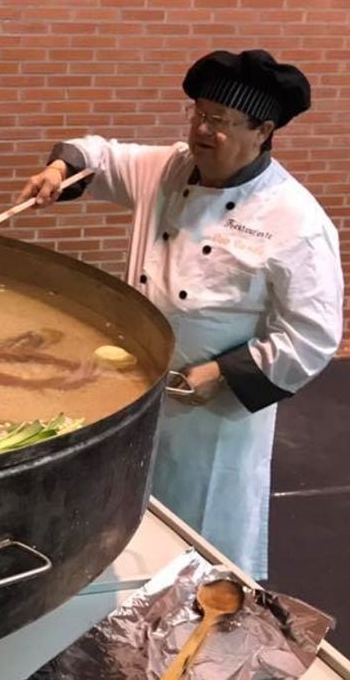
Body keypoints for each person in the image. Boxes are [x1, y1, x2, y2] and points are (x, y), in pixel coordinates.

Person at [18, 49, 343, 580]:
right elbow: (96, 154)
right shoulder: (167, 167)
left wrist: (221, 375)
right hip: (139, 381)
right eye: (197, 113)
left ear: (262, 131)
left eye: (220, 120)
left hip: (212, 410)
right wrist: (59, 169)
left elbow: (311, 337)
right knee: (127, 518)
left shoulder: (295, 220)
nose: (201, 129)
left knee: (200, 533)